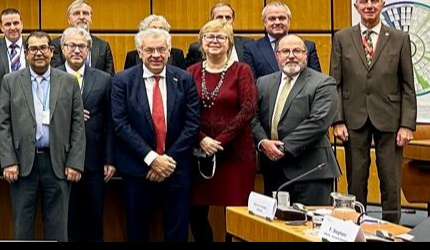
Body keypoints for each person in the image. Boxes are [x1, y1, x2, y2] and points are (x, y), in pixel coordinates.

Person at [331, 0, 416, 223]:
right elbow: (334, 83)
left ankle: (391, 230)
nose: (369, 5)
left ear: (382, 5)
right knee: (356, 179)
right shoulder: (342, 37)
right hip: (353, 120)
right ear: (356, 7)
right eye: (364, 1)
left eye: (374, 1)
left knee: (391, 180)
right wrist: (337, 120)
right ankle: (357, 228)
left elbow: (408, 85)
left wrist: (407, 125)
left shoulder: (399, 39)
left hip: (390, 120)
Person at [111, 27, 200, 241]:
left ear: (169, 51)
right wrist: (152, 159)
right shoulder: (123, 80)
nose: (156, 55)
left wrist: (166, 161)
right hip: (138, 170)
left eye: (161, 49)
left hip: (176, 169)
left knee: (177, 233)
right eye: (149, 50)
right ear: (139, 52)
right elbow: (120, 124)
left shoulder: (185, 79)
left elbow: (192, 123)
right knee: (137, 232)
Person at [0, 30, 85, 240]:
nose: (39, 53)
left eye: (43, 48)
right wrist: (8, 161)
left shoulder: (68, 82)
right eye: (33, 48)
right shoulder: (10, 81)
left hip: (58, 163)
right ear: (26, 53)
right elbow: (4, 123)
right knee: (23, 227)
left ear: (52, 51)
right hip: (22, 164)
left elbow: (78, 125)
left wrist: (74, 162)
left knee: (58, 228)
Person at [186, 19, 257, 242]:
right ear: (201, 43)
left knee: (235, 213)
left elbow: (248, 109)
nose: (214, 41)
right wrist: (203, 139)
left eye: (221, 37)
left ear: (229, 43)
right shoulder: (191, 72)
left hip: (236, 153)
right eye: (209, 37)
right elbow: (183, 111)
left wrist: (220, 140)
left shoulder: (242, 71)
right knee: (195, 213)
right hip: (200, 153)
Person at [252, 34, 341, 207]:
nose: (291, 55)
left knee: (308, 228)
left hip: (310, 172)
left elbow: (319, 122)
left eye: (297, 51)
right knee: (277, 228)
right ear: (277, 55)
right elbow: (252, 117)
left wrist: (282, 147)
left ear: (305, 55)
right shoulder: (263, 82)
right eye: (285, 51)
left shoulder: (323, 82)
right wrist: (263, 142)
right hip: (274, 171)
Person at [58, 26, 115, 242]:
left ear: (89, 50)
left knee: (94, 222)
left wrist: (110, 159)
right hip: (60, 162)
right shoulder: (51, 76)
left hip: (94, 162)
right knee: (66, 222)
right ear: (62, 49)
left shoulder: (103, 79)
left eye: (82, 46)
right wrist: (69, 113)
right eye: (71, 45)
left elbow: (111, 121)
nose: (76, 50)